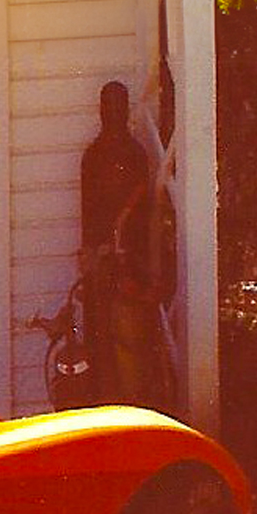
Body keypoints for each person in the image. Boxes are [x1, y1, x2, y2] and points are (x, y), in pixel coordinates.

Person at [77, 80, 175, 409]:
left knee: (131, 342)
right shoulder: (92, 157)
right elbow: (87, 209)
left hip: (129, 264)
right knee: (99, 339)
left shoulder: (135, 155)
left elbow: (144, 213)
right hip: (99, 262)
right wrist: (92, 255)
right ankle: (105, 404)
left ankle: (132, 405)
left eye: (118, 106)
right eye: (107, 107)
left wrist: (136, 263)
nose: (112, 114)